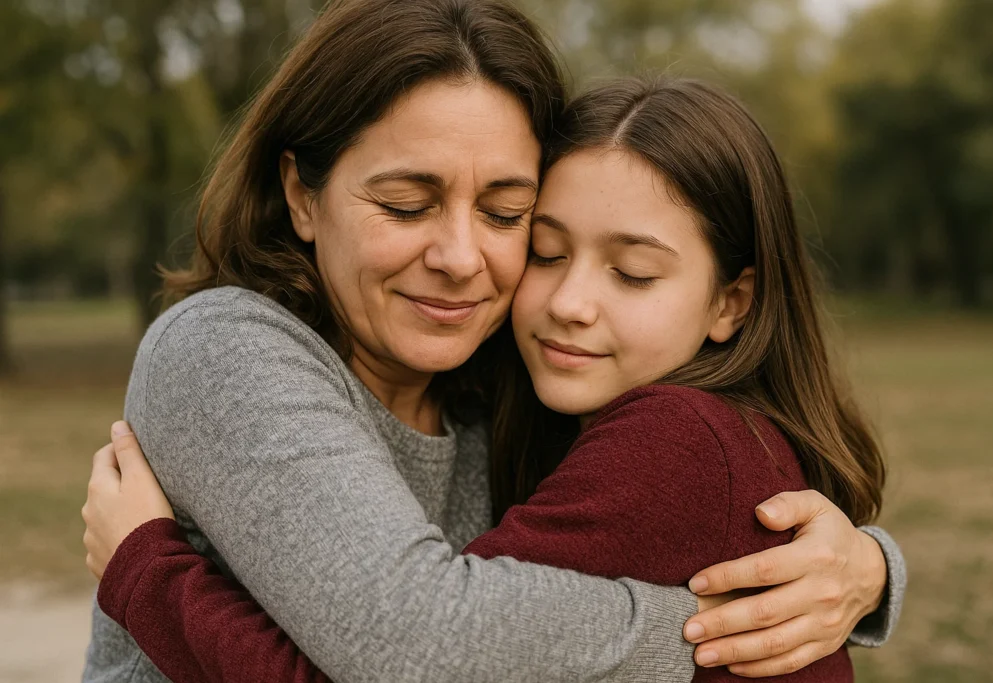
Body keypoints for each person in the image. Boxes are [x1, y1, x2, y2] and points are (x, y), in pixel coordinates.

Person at [81, 1, 906, 682]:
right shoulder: (227, 350)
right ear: (303, 194)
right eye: (407, 203)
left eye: (508, 216)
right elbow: (419, 644)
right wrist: (694, 632)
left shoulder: (516, 381)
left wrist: (867, 567)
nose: (461, 258)